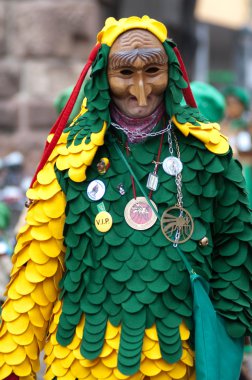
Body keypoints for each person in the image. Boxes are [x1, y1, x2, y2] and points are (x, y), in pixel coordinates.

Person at [0, 15, 251, 380]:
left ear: (171, 71)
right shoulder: (71, 157)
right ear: (104, 75)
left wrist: (225, 334)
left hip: (179, 360)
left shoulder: (209, 153)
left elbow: (235, 247)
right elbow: (39, 269)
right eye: (124, 75)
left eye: (152, 71)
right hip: (81, 360)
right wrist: (14, 366)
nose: (140, 90)